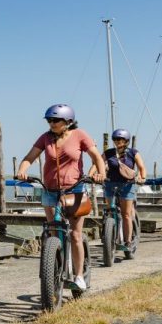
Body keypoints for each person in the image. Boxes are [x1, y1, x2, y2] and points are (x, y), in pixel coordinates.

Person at [15, 104, 106, 292]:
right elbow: (29, 157)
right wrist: (22, 170)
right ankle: (54, 270)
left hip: (74, 190)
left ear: (68, 121)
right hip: (50, 190)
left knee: (75, 235)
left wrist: (100, 174)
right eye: (49, 120)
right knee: (53, 233)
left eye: (55, 120)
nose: (51, 123)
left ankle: (79, 276)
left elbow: (96, 157)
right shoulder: (45, 138)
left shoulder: (80, 135)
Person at [103, 128, 146, 252]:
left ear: (126, 141)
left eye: (120, 139)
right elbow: (98, 163)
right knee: (110, 210)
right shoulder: (109, 152)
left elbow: (141, 167)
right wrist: (93, 174)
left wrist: (141, 177)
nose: (117, 141)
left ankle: (128, 242)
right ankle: (108, 234)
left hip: (127, 185)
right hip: (110, 184)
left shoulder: (133, 152)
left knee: (126, 214)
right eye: (115, 139)